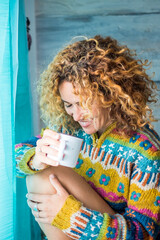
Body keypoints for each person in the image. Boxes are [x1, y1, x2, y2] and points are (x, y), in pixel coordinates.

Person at [15, 35, 160, 240]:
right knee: (38, 173)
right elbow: (14, 156)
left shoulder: (146, 151)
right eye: (68, 104)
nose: (76, 115)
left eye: (83, 102)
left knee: (43, 177)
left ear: (109, 94)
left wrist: (71, 215)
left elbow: (144, 234)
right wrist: (35, 159)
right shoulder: (70, 128)